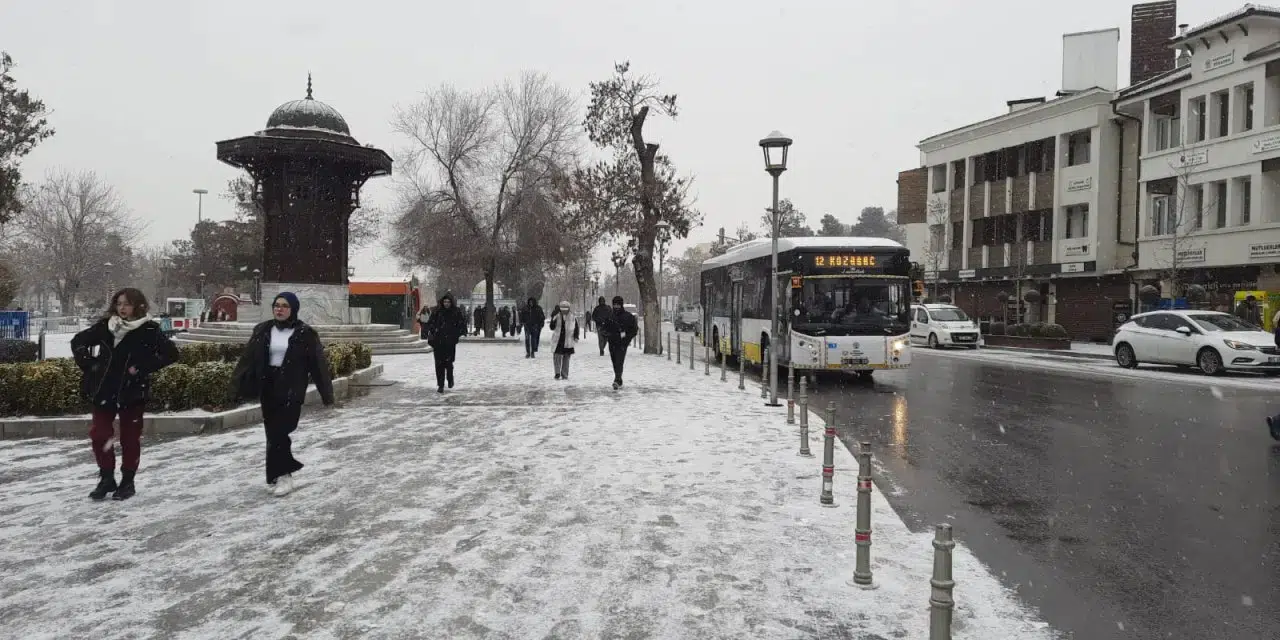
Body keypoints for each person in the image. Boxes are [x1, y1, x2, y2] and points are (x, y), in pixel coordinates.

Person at [71, 288, 179, 501]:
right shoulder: (107, 326)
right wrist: (90, 365)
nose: (122, 308)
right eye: (119, 303)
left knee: (130, 438)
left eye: (127, 304)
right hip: (104, 389)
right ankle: (106, 478)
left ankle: (127, 481)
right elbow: (78, 342)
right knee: (100, 435)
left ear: (137, 306)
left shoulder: (149, 329)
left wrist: (141, 368)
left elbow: (171, 354)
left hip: (132, 391)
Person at [231, 293, 334, 497]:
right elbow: (247, 360)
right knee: (272, 433)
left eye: (285, 306)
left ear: (293, 309)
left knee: (281, 431)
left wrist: (327, 394)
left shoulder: (305, 333)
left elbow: (318, 365)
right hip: (268, 385)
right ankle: (277, 474)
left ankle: (284, 474)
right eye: (276, 305)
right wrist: (234, 387)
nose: (279, 309)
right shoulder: (262, 330)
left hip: (291, 387)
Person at [424, 293, 467, 392]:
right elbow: (430, 323)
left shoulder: (455, 312)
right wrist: (433, 331)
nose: (446, 304)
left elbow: (461, 324)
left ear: (451, 303)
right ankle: (440, 384)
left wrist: (456, 334)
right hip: (438, 342)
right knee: (439, 364)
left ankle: (450, 378)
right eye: (445, 302)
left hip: (450, 342)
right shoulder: (437, 312)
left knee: (449, 363)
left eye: (448, 302)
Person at [599, 295, 639, 389]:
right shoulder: (610, 316)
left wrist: (626, 338)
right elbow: (604, 328)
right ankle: (619, 379)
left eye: (618, 305)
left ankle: (617, 380)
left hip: (622, 344)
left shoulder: (628, 316)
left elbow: (634, 330)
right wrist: (608, 334)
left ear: (621, 305)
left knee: (619, 361)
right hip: (612, 342)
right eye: (615, 305)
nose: (616, 306)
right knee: (614, 362)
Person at [549, 300, 580, 380]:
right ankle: (557, 373)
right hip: (558, 340)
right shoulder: (557, 316)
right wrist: (553, 318)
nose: (564, 311)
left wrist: (576, 336)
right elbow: (551, 327)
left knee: (566, 358)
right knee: (557, 356)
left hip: (568, 340)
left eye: (566, 309)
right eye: (562, 309)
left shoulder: (572, 317)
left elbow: (576, 327)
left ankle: (564, 374)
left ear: (569, 308)